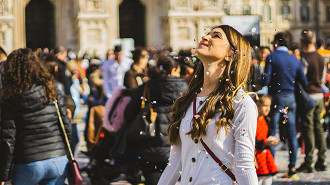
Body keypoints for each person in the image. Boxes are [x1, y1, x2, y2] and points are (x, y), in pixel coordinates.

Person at [157, 25, 258, 185]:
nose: (205, 37)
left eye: (216, 36)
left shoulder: (241, 103)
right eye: (207, 34)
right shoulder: (187, 101)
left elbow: (244, 165)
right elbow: (175, 162)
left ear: (231, 54)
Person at [0, 48, 71, 185]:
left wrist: (5, 175)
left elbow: (8, 140)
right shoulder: (52, 91)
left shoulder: (10, 99)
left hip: (27, 163)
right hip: (57, 159)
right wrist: (66, 154)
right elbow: (65, 124)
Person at [125, 55, 188, 185]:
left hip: (149, 146)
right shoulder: (185, 89)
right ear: (173, 70)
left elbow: (128, 114)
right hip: (176, 144)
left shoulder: (145, 88)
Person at [262, 32, 308, 176]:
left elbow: (266, 80)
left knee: (272, 133)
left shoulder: (271, 57)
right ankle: (292, 166)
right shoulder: (295, 59)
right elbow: (304, 81)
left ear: (276, 42)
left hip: (276, 98)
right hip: (291, 98)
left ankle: (271, 165)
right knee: (291, 133)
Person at [297, 29, 328, 173]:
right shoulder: (321, 58)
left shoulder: (305, 58)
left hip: (308, 96)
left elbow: (302, 79)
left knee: (308, 129)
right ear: (314, 41)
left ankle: (308, 162)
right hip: (319, 95)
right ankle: (321, 159)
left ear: (302, 42)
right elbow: (322, 79)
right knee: (319, 128)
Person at [255, 95, 279, 185]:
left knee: (268, 178)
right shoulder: (254, 121)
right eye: (265, 105)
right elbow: (252, 141)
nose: (268, 109)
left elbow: (267, 135)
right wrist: (265, 142)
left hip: (265, 154)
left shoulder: (266, 119)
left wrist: (272, 140)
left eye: (269, 106)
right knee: (259, 179)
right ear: (257, 105)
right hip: (256, 155)